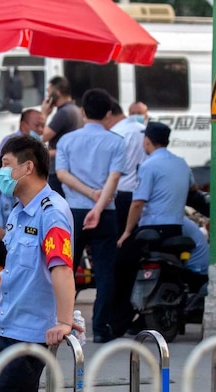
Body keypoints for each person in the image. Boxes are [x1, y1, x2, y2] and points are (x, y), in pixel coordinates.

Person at [0, 135, 79, 392]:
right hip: (8, 326)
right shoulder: (19, 211)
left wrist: (64, 321)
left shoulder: (51, 212)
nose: (1, 173)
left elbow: (62, 268)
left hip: (31, 334)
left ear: (27, 167)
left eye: (6, 165)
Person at [55, 89, 124, 343]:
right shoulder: (117, 142)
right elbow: (114, 177)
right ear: (108, 113)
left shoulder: (66, 142)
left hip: (72, 212)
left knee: (65, 268)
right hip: (105, 213)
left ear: (82, 112)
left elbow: (62, 175)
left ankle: (63, 323)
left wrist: (88, 195)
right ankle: (102, 328)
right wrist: (99, 204)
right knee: (105, 272)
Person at [113, 122, 191, 336]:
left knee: (123, 266)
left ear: (146, 140)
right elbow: (191, 189)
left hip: (152, 232)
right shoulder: (181, 163)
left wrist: (127, 232)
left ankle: (121, 320)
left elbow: (138, 203)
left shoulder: (148, 166)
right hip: (176, 229)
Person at [105, 99, 146, 236]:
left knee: (120, 239)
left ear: (108, 115)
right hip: (144, 194)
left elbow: (109, 170)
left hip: (121, 194)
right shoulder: (143, 129)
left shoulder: (115, 133)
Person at [41, 76, 83, 191]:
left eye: (49, 92)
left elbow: (42, 136)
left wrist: (44, 114)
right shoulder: (74, 109)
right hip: (69, 168)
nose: (47, 97)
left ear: (57, 92)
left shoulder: (64, 113)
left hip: (57, 169)